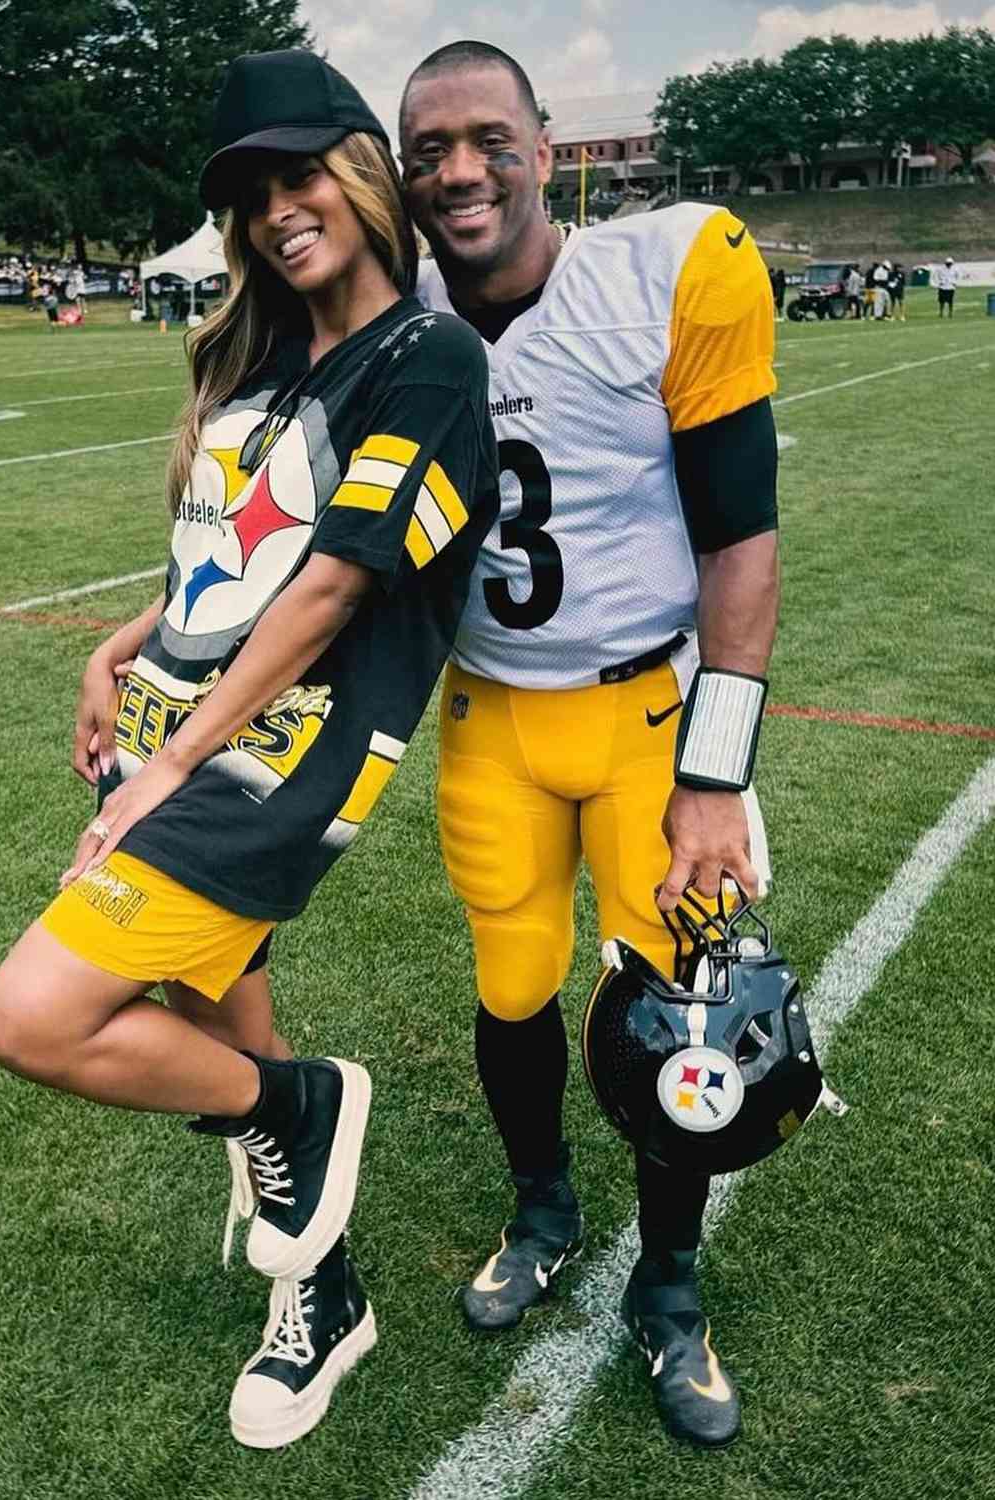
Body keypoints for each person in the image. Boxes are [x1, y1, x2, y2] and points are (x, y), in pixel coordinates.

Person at [0, 47, 497, 1452]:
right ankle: (320, 1297)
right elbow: (232, 561)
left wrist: (166, 766)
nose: (277, 213)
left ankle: (310, 1106)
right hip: (180, 721)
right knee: (216, 1028)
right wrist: (119, 643)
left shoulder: (430, 360)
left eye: (299, 175)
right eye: (250, 196)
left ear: (362, 171)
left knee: (33, 1016)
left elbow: (334, 585)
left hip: (279, 758)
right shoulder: (267, 354)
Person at [399, 41, 777, 1450]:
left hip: (645, 720)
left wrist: (713, 773)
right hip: (490, 715)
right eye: (426, 146)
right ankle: (544, 1209)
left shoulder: (660, 273)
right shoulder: (399, 316)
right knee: (511, 988)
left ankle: (670, 1288)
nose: (456, 169)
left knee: (678, 1017)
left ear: (544, 148)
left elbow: (740, 540)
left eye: (487, 137)